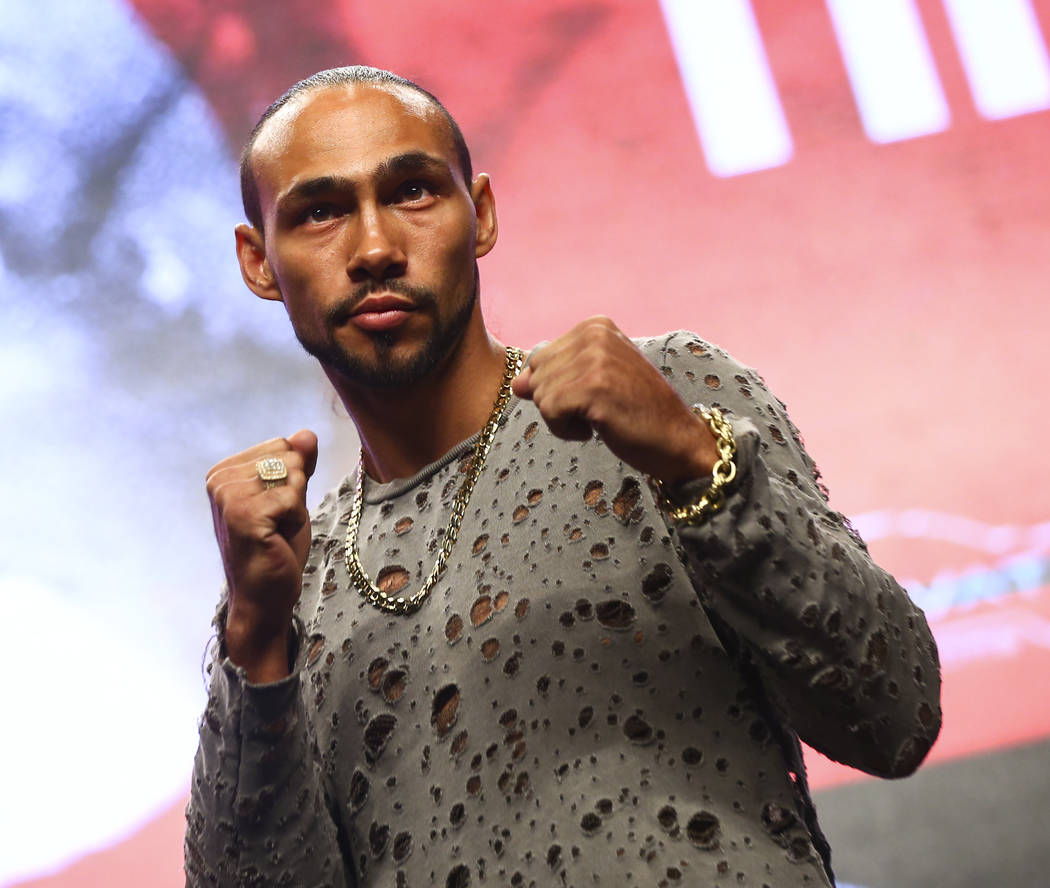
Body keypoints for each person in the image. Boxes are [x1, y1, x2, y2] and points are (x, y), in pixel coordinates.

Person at [185, 66, 941, 888]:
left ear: (482, 215)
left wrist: (693, 462)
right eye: (322, 211)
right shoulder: (288, 586)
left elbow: (893, 716)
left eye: (412, 191)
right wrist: (256, 641)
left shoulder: (665, 397)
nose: (374, 249)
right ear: (259, 261)